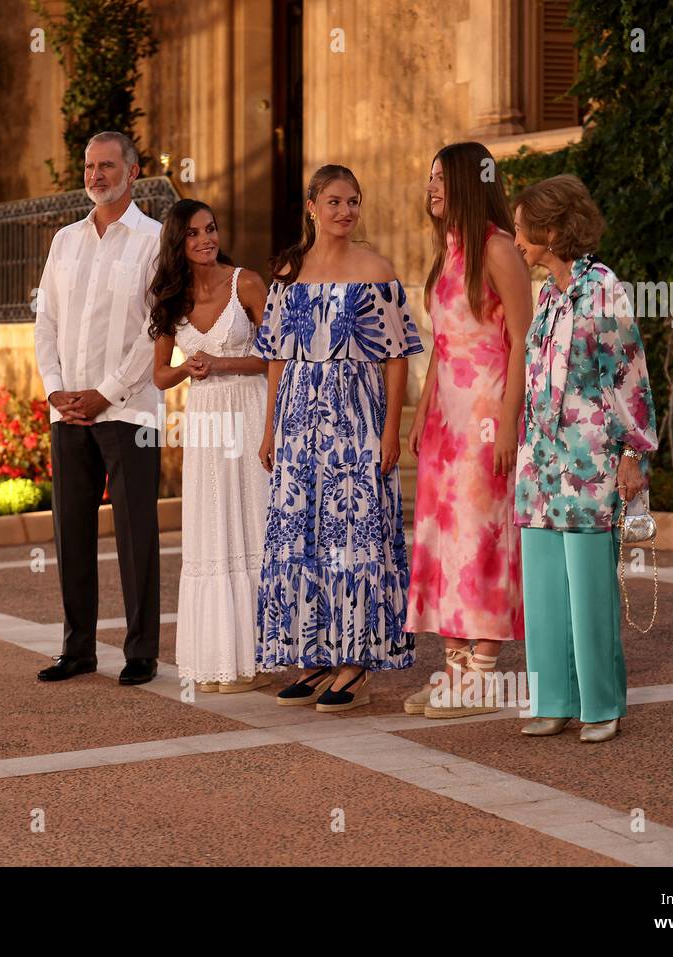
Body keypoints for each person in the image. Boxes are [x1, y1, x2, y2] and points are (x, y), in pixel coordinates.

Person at [254, 164, 424, 713]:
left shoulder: (376, 270)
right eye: (334, 201)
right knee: (302, 534)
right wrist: (269, 428)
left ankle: (356, 662)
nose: (346, 211)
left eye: (353, 201)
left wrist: (391, 429)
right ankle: (316, 654)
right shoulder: (288, 271)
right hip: (297, 422)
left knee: (353, 535)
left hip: (357, 420)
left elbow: (397, 356)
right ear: (312, 207)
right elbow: (276, 355)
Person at [510, 174, 658, 743]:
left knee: (590, 590)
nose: (517, 241)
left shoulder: (603, 288)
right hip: (541, 465)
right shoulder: (548, 294)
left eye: (523, 229)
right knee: (544, 590)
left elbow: (628, 374)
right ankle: (553, 701)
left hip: (591, 461)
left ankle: (600, 705)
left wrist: (633, 453)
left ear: (550, 230)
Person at [403, 142, 531, 719]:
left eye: (440, 178)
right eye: (430, 178)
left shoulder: (498, 248)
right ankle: (453, 671)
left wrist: (507, 423)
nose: (431, 187)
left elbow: (523, 340)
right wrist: (423, 413)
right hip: (445, 421)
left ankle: (481, 676)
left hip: (486, 413)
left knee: (482, 537)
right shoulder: (449, 251)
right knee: (443, 541)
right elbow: (442, 345)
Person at [33, 131, 163, 686]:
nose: (96, 175)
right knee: (71, 532)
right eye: (89, 167)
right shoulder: (65, 241)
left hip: (129, 411)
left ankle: (141, 652)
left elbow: (157, 327)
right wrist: (55, 390)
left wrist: (106, 391)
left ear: (132, 172)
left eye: (107, 166)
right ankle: (78, 648)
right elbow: (45, 322)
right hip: (69, 412)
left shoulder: (156, 240)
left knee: (136, 534)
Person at [149, 200, 272, 694]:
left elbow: (275, 356)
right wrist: (187, 368)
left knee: (253, 519)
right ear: (178, 243)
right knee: (213, 526)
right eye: (194, 233)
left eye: (211, 229)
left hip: (249, 411)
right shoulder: (170, 299)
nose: (206, 240)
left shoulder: (247, 283)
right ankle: (221, 659)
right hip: (204, 421)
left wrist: (220, 364)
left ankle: (259, 659)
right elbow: (160, 375)